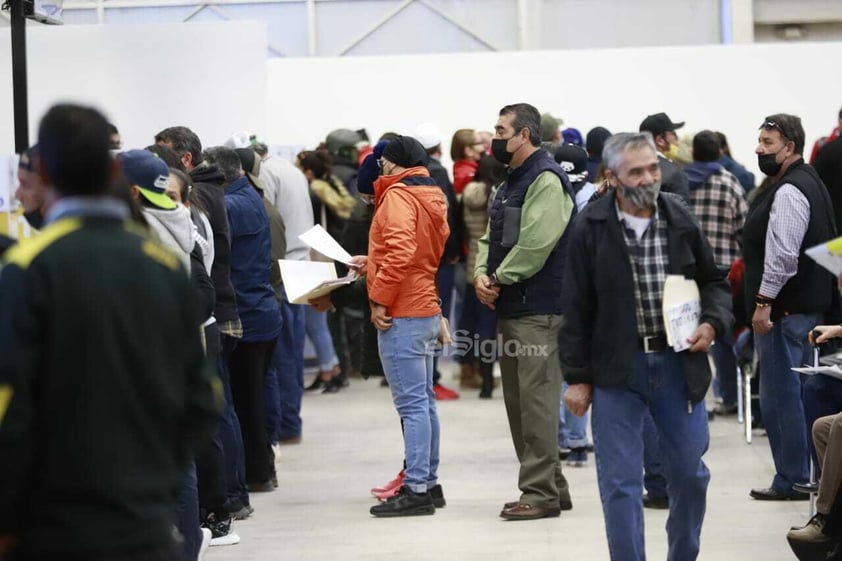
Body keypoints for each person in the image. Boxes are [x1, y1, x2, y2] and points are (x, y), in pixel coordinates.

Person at [0, 103, 219, 561]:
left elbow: (10, 407)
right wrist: (155, 484)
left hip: (55, 527)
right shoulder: (160, 267)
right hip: (145, 524)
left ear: (43, 169)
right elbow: (201, 400)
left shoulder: (27, 269)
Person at [560, 131, 731, 561]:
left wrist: (712, 323)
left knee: (691, 476)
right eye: (636, 171)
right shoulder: (590, 227)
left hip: (679, 365)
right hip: (618, 370)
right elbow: (575, 308)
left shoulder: (679, 217)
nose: (648, 178)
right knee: (620, 486)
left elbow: (714, 282)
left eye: (653, 168)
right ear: (613, 177)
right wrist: (578, 379)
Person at [474, 103, 576, 521]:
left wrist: (496, 279)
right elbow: (488, 237)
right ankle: (553, 486)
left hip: (539, 310)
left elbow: (536, 245)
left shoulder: (546, 179)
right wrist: (482, 272)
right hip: (513, 307)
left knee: (535, 405)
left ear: (525, 135)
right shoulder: (511, 180)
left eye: (501, 130)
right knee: (520, 404)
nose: (494, 137)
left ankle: (539, 494)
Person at [744, 114, 837, 501]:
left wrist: (764, 302)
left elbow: (782, 256)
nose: (759, 149)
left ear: (789, 146)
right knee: (797, 392)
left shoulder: (788, 191)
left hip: (784, 311)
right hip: (804, 308)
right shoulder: (810, 181)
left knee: (781, 395)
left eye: (767, 143)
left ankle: (792, 478)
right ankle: (802, 474)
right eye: (760, 141)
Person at [363, 136, 450, 517]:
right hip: (425, 307)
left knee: (413, 406)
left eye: (383, 161)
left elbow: (400, 253)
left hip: (404, 312)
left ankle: (415, 490)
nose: (379, 166)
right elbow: (415, 255)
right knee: (425, 403)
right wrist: (368, 262)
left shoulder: (398, 197)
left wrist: (379, 297)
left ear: (395, 163)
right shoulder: (430, 194)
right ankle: (428, 484)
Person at [205, 146, 282, 493]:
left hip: (247, 315)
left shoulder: (229, 206)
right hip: (262, 311)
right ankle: (261, 468)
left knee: (244, 402)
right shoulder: (252, 197)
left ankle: (254, 473)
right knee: (258, 396)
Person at [684, 130, 748, 416]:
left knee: (688, 334)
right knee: (721, 334)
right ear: (719, 152)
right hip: (724, 271)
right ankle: (729, 395)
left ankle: (694, 395)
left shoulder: (682, 183)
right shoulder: (729, 183)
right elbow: (743, 228)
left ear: (694, 153)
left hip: (690, 271)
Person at [413, 123, 462, 399]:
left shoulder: (411, 174)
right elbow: (446, 214)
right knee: (437, 314)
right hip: (440, 258)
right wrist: (454, 249)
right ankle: (432, 378)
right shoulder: (439, 172)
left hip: (418, 257)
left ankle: (425, 377)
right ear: (438, 148)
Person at [459, 156, 505, 398]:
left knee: (478, 326)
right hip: (494, 265)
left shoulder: (466, 195)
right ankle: (491, 379)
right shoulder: (499, 195)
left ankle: (479, 377)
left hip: (472, 268)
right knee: (492, 328)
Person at [639, 112, 690, 202]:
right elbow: (681, 212)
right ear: (660, 140)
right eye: (673, 134)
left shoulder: (626, 169)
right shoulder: (675, 174)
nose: (677, 139)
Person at [450, 128, 484, 196]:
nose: (483, 147)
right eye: (480, 143)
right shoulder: (469, 175)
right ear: (469, 151)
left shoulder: (462, 169)